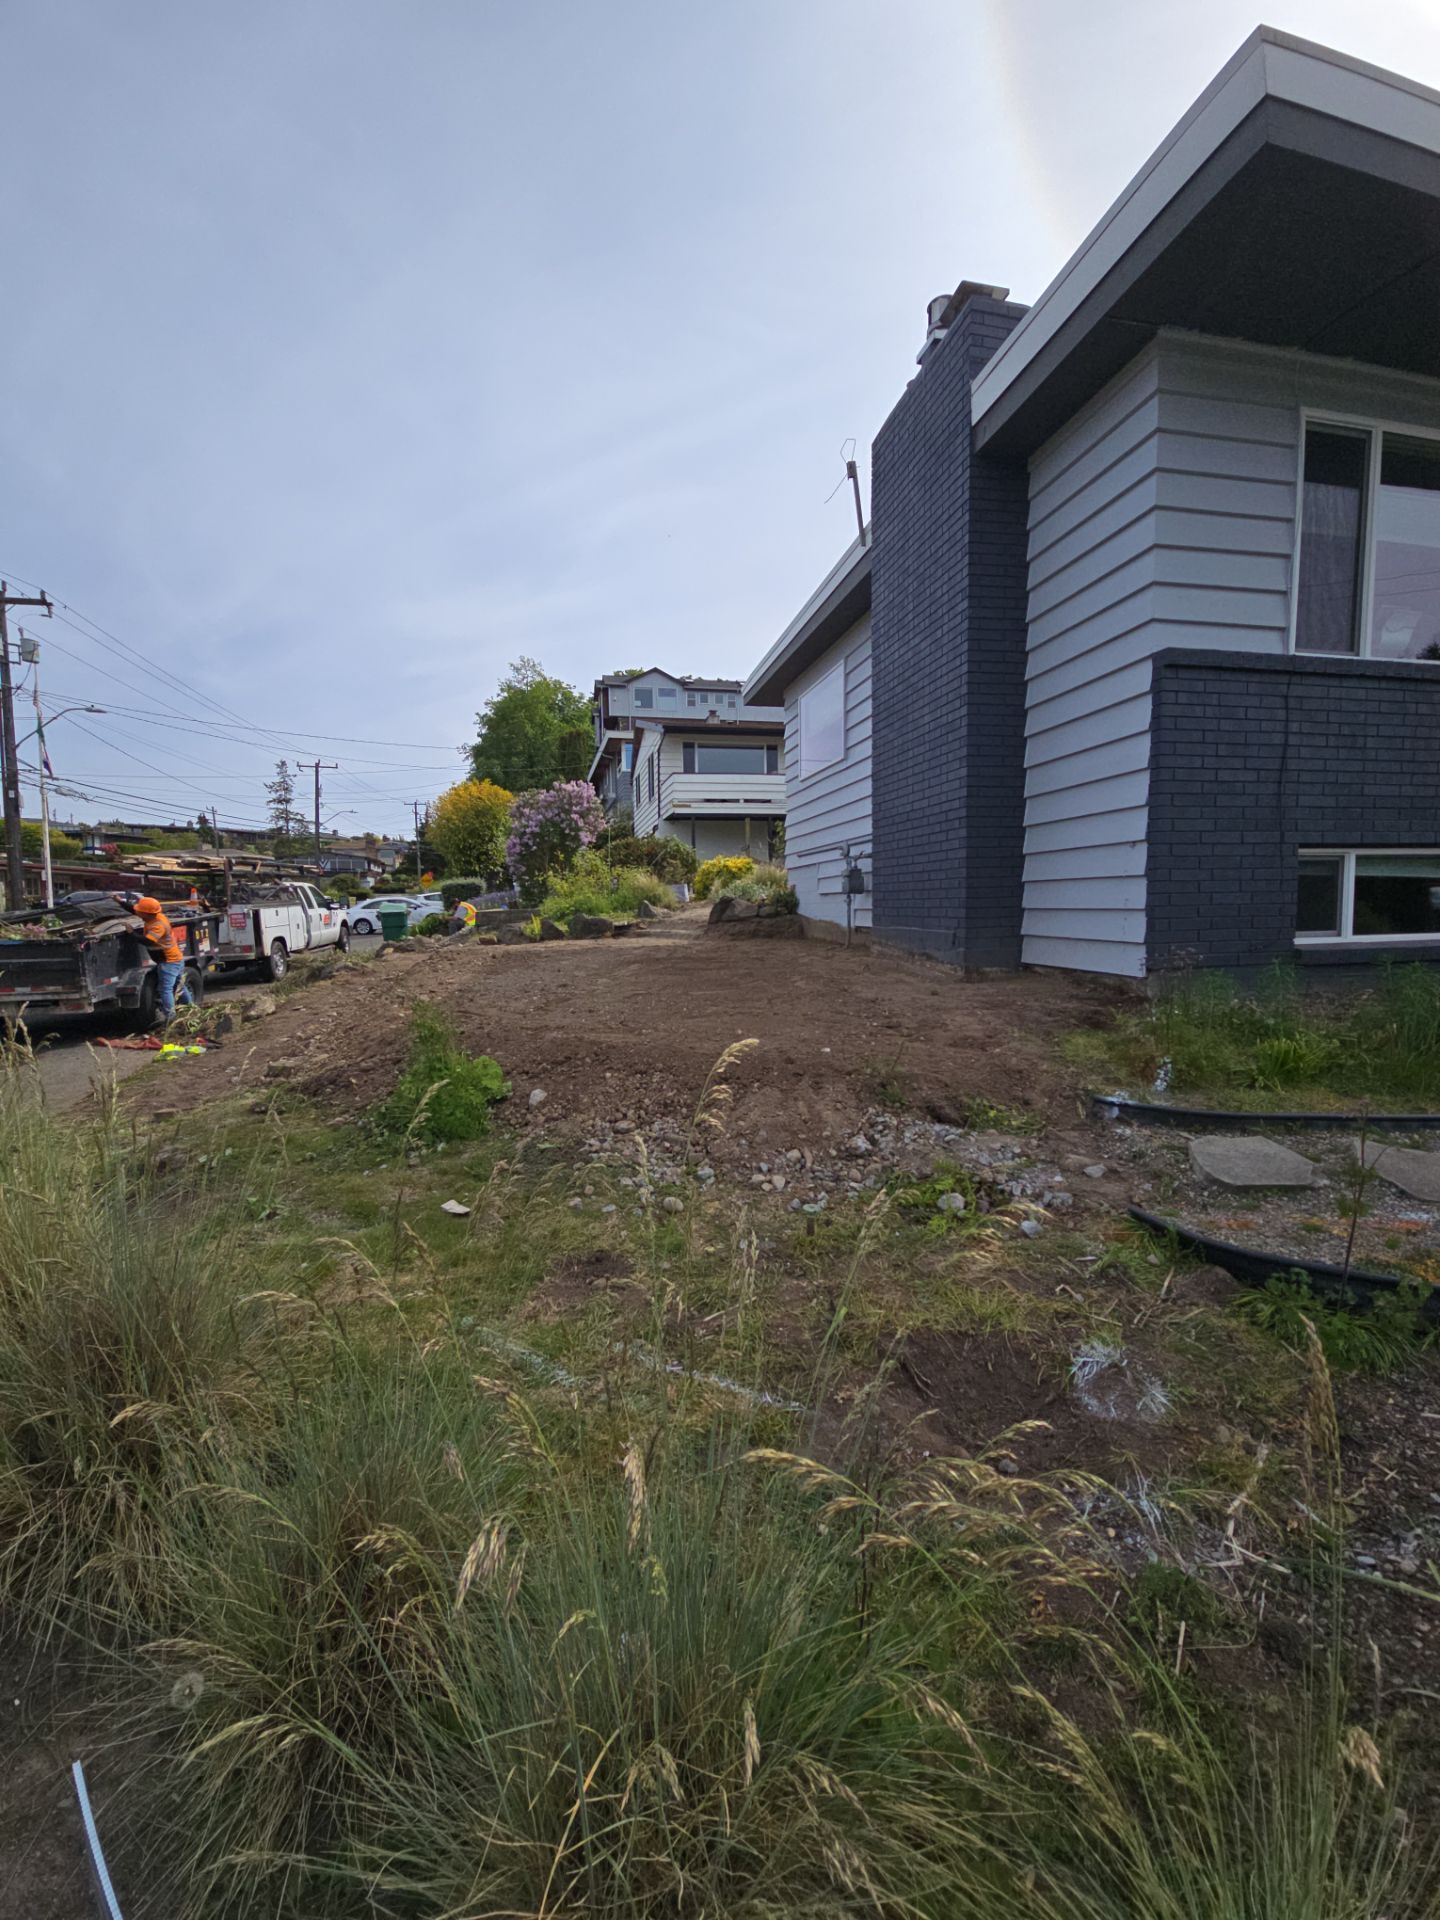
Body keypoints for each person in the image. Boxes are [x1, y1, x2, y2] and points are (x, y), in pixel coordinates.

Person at [127, 894, 192, 1023]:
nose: (137, 912)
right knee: (179, 986)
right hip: (175, 959)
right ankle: (192, 1008)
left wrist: (131, 933)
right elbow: (135, 910)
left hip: (169, 961)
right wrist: (119, 901)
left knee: (165, 989)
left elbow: (148, 941)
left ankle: (171, 1017)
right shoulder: (154, 916)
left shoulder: (158, 925)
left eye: (140, 911)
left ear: (146, 913)